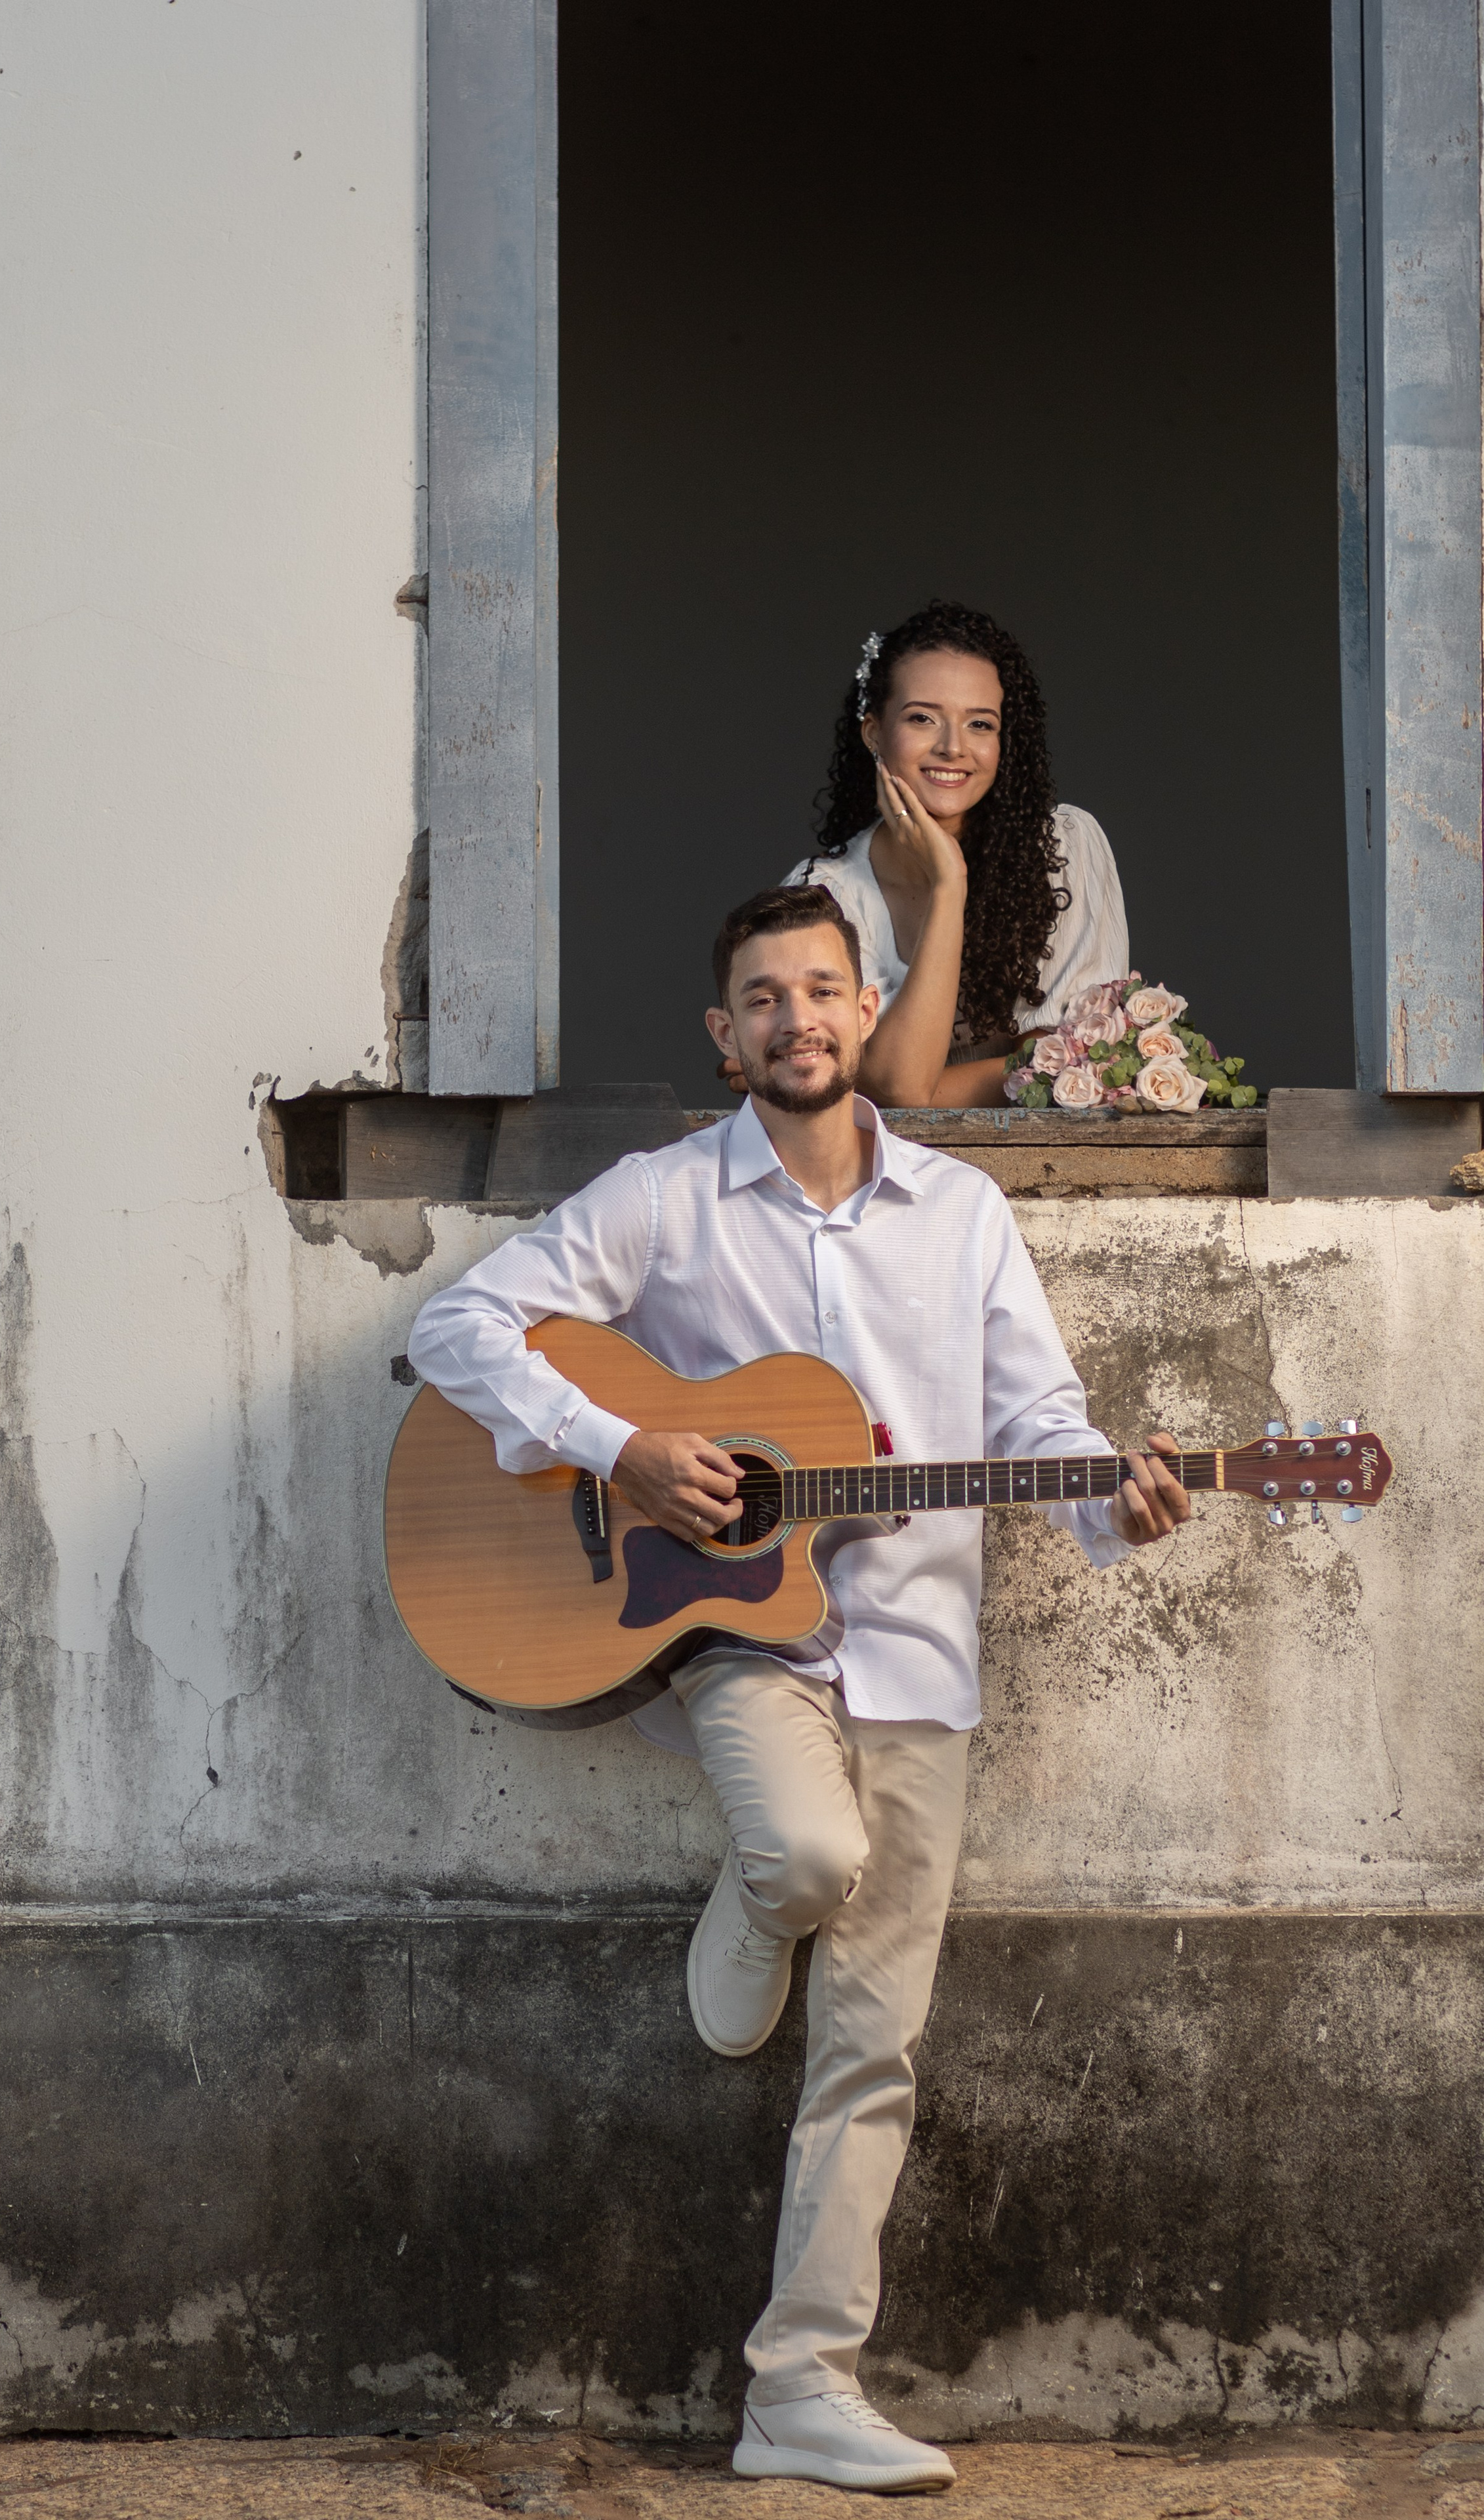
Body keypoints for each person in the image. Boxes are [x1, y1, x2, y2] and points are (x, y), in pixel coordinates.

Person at [407, 884, 1187, 2494]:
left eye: (821, 991)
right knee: (809, 1858)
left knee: (870, 2045)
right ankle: (760, 1893)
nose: (795, 1020)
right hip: (740, 1637)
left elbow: (1038, 1425)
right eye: (761, 998)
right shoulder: (666, 1199)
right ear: (726, 1033)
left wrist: (1119, 1491)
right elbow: (457, 1320)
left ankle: (797, 2384)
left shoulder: (959, 1212)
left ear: (861, 1008)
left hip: (914, 1653)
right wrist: (623, 1443)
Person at [768, 599, 1128, 1108]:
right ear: (874, 733)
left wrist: (873, 1084)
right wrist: (948, 884)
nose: (953, 748)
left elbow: (1065, 1063)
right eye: (923, 719)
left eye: (980, 724)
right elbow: (902, 1087)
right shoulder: (823, 896)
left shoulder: (1064, 848)